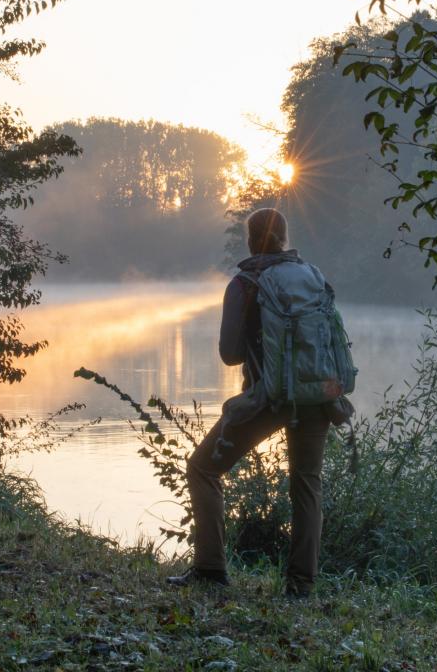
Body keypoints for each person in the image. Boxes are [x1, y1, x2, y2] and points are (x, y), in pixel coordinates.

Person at [166, 208, 331, 598]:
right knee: (307, 484)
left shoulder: (244, 284)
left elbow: (230, 354)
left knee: (202, 468)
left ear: (251, 240)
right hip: (316, 395)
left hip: (267, 397)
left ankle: (210, 570)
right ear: (285, 239)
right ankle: (301, 586)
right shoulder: (312, 277)